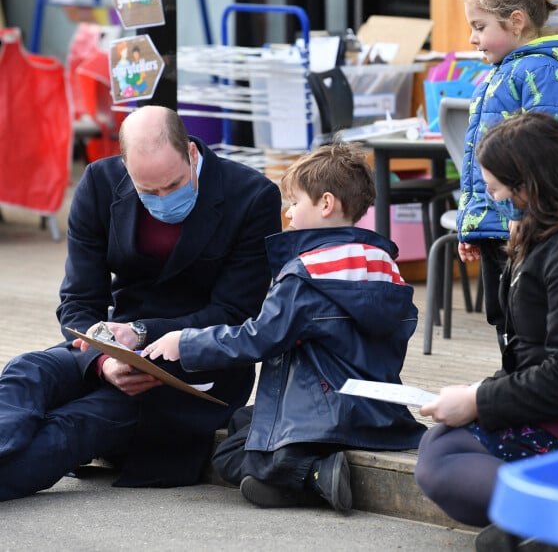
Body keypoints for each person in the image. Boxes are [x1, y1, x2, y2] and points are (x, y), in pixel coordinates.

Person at [0, 105, 282, 500]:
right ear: (125, 169)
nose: (163, 199)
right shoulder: (100, 182)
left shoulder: (252, 197)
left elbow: (235, 313)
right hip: (111, 345)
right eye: (148, 191)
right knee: (26, 371)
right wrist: (103, 359)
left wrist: (141, 332)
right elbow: (79, 300)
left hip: (197, 364)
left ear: (192, 153)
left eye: (173, 185)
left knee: (75, 423)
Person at [143, 142, 427, 513]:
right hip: (377, 411)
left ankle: (314, 472)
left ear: (325, 204)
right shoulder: (386, 266)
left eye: (295, 202)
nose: (289, 214)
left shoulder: (307, 273)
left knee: (232, 455)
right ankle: (310, 478)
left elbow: (260, 338)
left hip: (320, 416)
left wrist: (187, 342)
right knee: (246, 419)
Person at [415, 112, 558, 551]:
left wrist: (477, 399)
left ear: (527, 185)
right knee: (442, 444)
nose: (492, 197)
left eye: (494, 188)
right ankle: (539, 520)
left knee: (443, 459)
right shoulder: (544, 232)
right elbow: (530, 352)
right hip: (555, 403)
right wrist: (480, 394)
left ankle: (548, 517)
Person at [455, 0, 558, 351]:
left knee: (529, 325)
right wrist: (473, 221)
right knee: (505, 319)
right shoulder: (499, 73)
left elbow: (545, 157)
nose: (472, 38)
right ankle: (512, 395)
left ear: (516, 21)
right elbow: (482, 163)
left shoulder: (543, 72)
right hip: (499, 227)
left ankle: (529, 402)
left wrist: (523, 216)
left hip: (527, 227)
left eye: (479, 26)